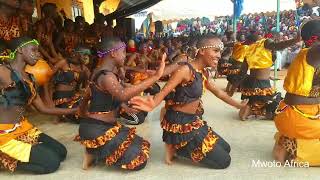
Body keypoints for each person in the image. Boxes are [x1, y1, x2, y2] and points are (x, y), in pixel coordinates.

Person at [129, 35, 248, 169]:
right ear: (202, 51)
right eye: (215, 51)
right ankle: (176, 147)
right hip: (180, 122)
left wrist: (239, 105)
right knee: (225, 161)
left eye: (220, 52)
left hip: (193, 120)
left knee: (226, 148)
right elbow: (164, 91)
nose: (219, 55)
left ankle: (179, 146)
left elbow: (219, 93)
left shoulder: (204, 72)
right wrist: (152, 103)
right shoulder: (185, 70)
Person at [76, 37, 166, 170]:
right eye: (123, 52)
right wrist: (155, 77)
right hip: (97, 129)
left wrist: (126, 107)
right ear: (113, 53)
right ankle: (94, 151)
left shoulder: (101, 72)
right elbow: (123, 94)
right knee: (139, 161)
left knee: (141, 145)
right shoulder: (107, 77)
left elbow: (109, 95)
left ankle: (94, 150)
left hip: (101, 126)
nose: (125, 55)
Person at [0, 37, 77, 174]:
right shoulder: (3, 71)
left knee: (61, 152)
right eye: (34, 50)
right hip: (4, 134)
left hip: (24, 128)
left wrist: (77, 110)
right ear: (21, 50)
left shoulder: (30, 78)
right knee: (52, 163)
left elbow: (44, 109)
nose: (38, 54)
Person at [273, 20, 320, 166]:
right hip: (298, 117)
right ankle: (293, 152)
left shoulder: (308, 54)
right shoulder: (314, 52)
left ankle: (287, 143)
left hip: (293, 114)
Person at [239, 31, 301, 120]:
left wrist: (241, 84)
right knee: (279, 107)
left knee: (262, 103)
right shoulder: (263, 42)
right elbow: (277, 45)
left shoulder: (247, 49)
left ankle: (249, 108)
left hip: (250, 84)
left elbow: (243, 71)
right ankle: (251, 109)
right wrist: (295, 40)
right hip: (261, 85)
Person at [52, 45, 90, 123]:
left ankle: (62, 114)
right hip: (61, 98)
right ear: (76, 54)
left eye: (87, 55)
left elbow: (91, 82)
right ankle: (59, 114)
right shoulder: (64, 63)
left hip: (74, 96)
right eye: (84, 54)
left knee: (89, 108)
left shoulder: (84, 68)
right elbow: (48, 76)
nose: (86, 57)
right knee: (79, 116)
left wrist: (85, 90)